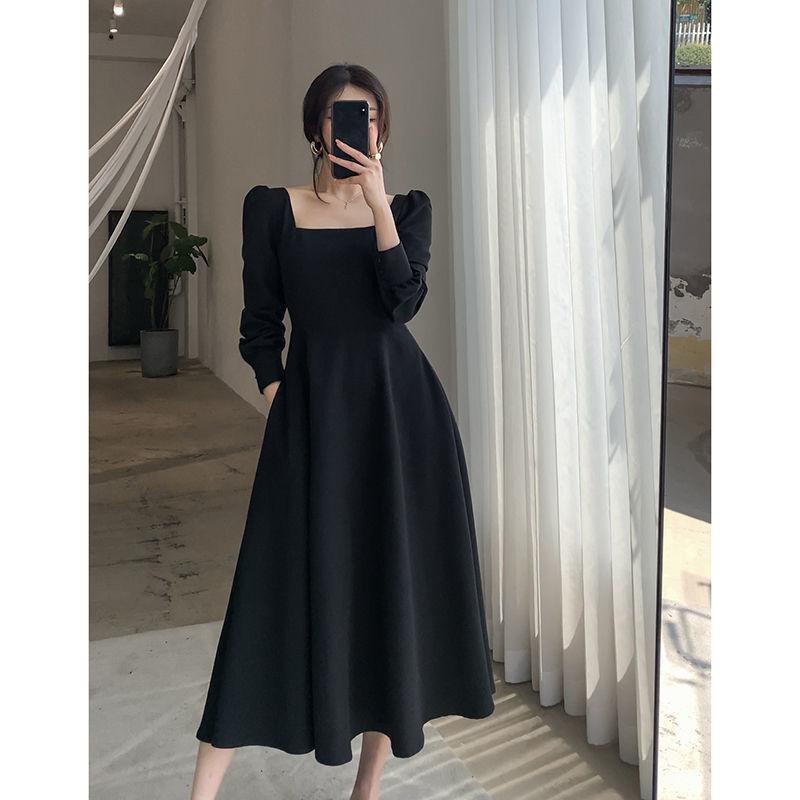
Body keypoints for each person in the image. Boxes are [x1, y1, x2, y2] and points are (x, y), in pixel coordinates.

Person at [189, 63, 495, 800]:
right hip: (312, 421)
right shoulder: (272, 208)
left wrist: (377, 204)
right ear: (316, 127)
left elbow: (403, 303)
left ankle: (367, 789)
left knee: (389, 591)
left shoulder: (408, 210)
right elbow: (260, 322)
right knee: (268, 596)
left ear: (382, 129)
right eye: (340, 114)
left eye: (369, 115)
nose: (356, 127)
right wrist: (277, 396)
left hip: (401, 423)